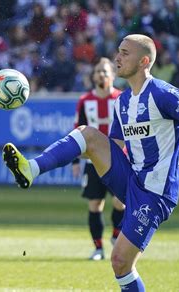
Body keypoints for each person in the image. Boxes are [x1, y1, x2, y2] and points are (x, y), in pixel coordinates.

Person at [3, 34, 179, 291]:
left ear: (144, 61)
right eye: (118, 51)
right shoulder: (123, 102)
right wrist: (74, 150)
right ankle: (31, 168)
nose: (117, 57)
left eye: (125, 53)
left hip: (155, 193)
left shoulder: (162, 93)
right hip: (131, 179)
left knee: (120, 262)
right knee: (88, 134)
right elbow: (114, 147)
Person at [72, 57, 125, 261]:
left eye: (105, 71)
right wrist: (76, 160)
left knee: (121, 202)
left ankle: (115, 235)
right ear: (93, 76)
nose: (101, 74)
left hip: (119, 159)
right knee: (95, 205)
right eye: (98, 71)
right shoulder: (85, 101)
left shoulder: (121, 98)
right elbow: (79, 130)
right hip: (93, 161)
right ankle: (98, 249)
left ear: (112, 75)